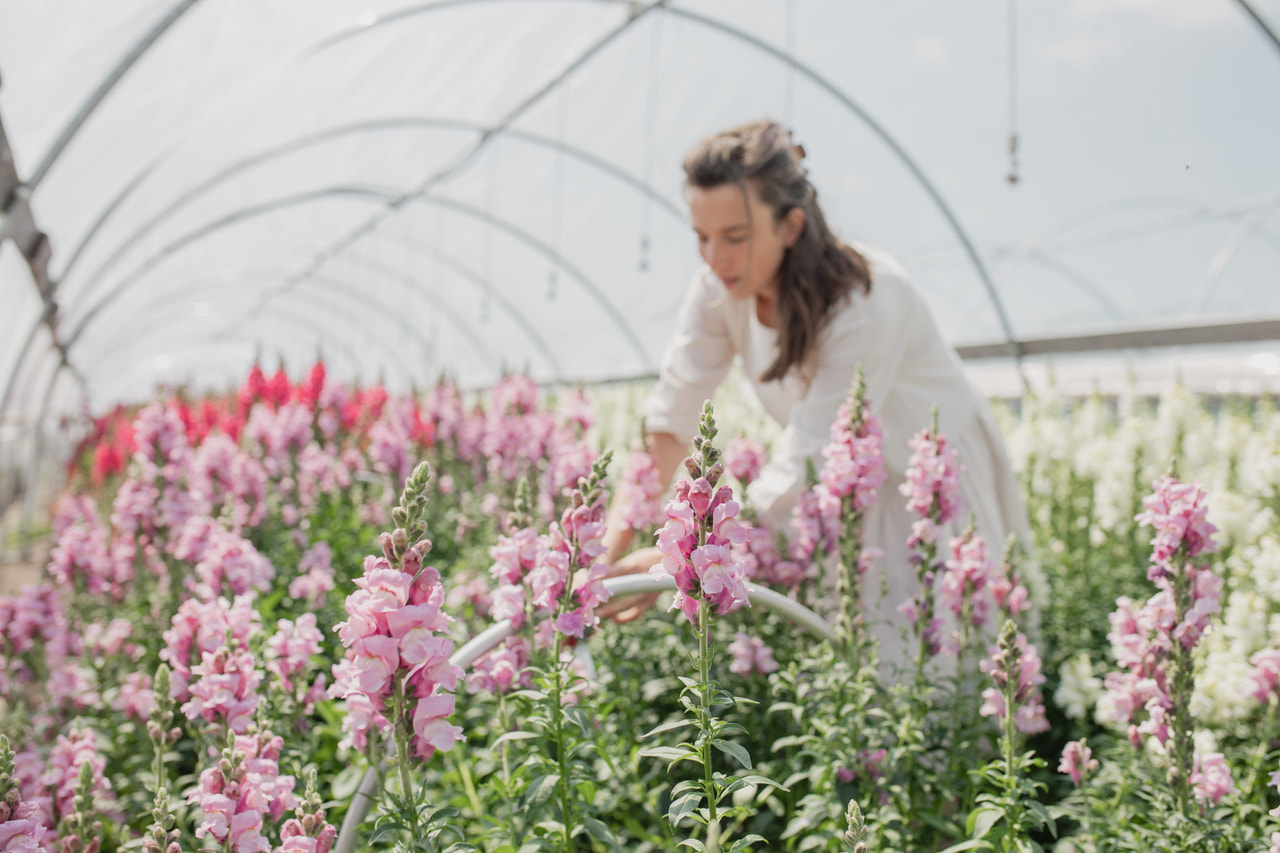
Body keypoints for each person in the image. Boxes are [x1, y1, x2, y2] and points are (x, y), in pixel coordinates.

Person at [600, 120, 1030, 657]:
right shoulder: (719, 285)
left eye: (735, 237)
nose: (714, 257)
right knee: (845, 670)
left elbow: (815, 454)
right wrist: (600, 552)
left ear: (791, 226)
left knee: (921, 670)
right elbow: (672, 417)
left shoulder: (868, 298)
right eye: (701, 237)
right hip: (834, 502)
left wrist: (690, 553)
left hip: (921, 496)